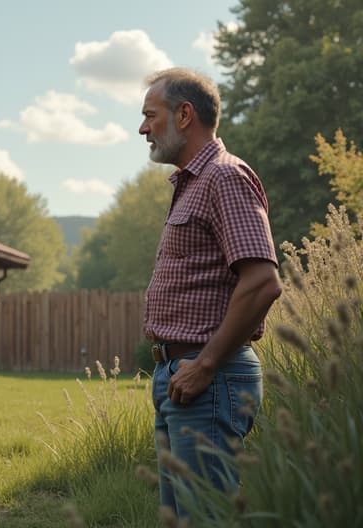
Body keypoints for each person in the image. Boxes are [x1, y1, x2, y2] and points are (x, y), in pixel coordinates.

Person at [138, 67, 281, 516]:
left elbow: (262, 282)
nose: (142, 129)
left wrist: (204, 364)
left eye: (149, 115)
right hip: (180, 378)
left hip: (208, 379)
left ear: (184, 115)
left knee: (205, 519)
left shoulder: (225, 177)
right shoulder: (192, 184)